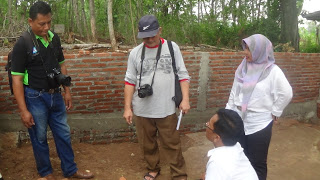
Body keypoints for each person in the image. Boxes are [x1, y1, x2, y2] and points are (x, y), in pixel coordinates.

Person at [11, 1, 94, 180]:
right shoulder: (23, 44)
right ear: (30, 21)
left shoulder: (54, 38)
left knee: (63, 133)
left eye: (49, 22)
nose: (46, 27)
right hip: (34, 97)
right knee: (39, 137)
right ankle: (46, 173)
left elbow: (62, 65)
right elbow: (16, 79)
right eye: (42, 23)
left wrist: (67, 91)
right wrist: (23, 110)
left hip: (55, 95)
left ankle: (71, 170)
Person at [123, 15, 190, 180]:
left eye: (153, 35)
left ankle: (179, 174)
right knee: (147, 142)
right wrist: (127, 108)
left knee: (172, 143)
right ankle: (153, 168)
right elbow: (129, 81)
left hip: (166, 107)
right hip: (142, 109)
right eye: (145, 36)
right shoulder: (135, 53)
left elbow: (183, 75)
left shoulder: (172, 48)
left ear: (160, 30)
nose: (150, 39)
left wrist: (186, 99)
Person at [226, 34, 293, 180]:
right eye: (245, 48)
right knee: (239, 157)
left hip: (260, 123)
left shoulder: (272, 71)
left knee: (257, 162)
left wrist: (276, 110)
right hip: (239, 120)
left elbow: (286, 93)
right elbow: (234, 91)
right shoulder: (242, 67)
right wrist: (228, 112)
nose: (245, 52)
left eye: (249, 49)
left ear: (261, 51)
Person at [202, 108, 258, 180]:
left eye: (208, 125)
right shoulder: (236, 146)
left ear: (216, 137)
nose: (206, 125)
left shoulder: (218, 162)